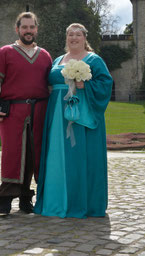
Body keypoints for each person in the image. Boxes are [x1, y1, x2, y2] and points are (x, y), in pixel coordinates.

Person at [34, 23, 113, 218]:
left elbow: (106, 84)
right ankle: (54, 201)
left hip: (81, 117)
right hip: (56, 115)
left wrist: (85, 85)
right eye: (70, 34)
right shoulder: (58, 59)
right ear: (66, 38)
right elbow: (48, 81)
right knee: (55, 156)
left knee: (80, 157)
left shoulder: (94, 60)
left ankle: (81, 202)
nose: (74, 38)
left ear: (85, 38)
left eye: (78, 34)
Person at [0, 12, 52, 215]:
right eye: (24, 27)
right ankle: (5, 199)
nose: (28, 31)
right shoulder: (5, 52)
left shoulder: (45, 55)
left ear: (37, 29)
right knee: (12, 154)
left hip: (40, 111)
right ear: (17, 29)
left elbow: (50, 87)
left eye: (32, 27)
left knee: (35, 154)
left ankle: (25, 198)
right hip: (12, 112)